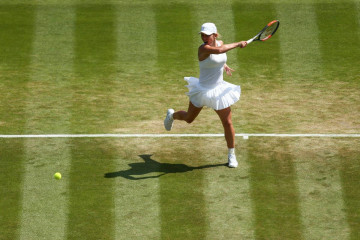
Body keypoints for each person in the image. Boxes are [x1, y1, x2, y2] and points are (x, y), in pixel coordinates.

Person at [164, 22, 247, 168]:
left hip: (219, 90)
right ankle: (171, 115)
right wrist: (239, 43)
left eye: (207, 35)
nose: (204, 37)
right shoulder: (204, 48)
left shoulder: (219, 43)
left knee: (227, 123)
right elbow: (220, 51)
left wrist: (224, 66)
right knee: (189, 119)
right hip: (203, 89)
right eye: (202, 35)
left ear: (214, 35)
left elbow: (220, 55)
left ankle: (231, 155)